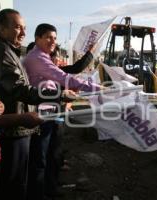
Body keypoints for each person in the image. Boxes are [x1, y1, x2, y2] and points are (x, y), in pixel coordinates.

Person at [0, 9, 74, 200]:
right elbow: (21, 90)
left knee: (20, 177)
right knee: (14, 182)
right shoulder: (2, 51)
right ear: (1, 28)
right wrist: (59, 95)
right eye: (17, 27)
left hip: (18, 125)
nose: (23, 33)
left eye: (24, 28)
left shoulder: (9, 50)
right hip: (14, 128)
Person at [23, 23, 103, 200]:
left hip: (50, 112)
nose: (53, 41)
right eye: (48, 37)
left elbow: (67, 75)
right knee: (41, 158)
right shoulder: (37, 57)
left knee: (49, 154)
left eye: (54, 38)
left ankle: (47, 188)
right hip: (41, 113)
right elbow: (65, 77)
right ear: (37, 39)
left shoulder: (42, 56)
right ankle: (38, 193)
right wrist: (97, 88)